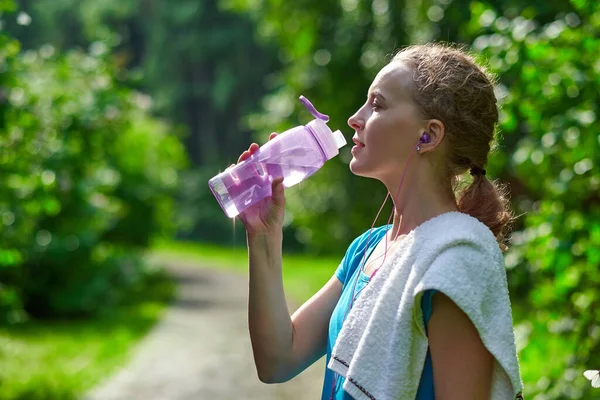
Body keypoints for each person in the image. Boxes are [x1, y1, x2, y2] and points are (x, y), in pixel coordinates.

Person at [234, 43, 524, 399]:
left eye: (378, 104)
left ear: (428, 135)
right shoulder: (367, 249)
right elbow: (277, 360)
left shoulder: (455, 262)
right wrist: (263, 234)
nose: (355, 117)